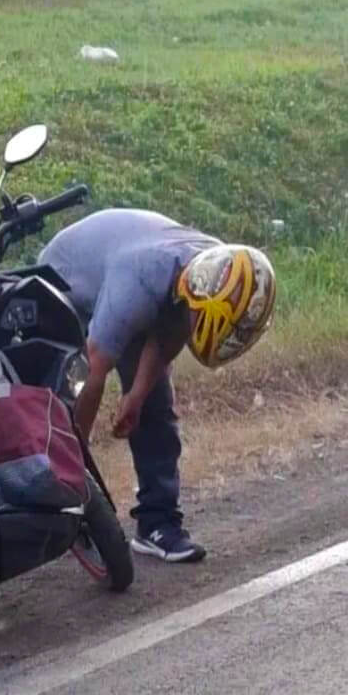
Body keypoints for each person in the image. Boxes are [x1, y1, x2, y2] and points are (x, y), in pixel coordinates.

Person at [37, 208, 276, 563]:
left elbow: (168, 334)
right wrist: (77, 459)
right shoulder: (140, 281)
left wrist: (135, 397)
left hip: (131, 266)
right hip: (64, 282)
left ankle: (157, 524)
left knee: (155, 406)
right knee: (61, 400)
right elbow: (93, 370)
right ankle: (51, 502)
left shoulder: (215, 272)